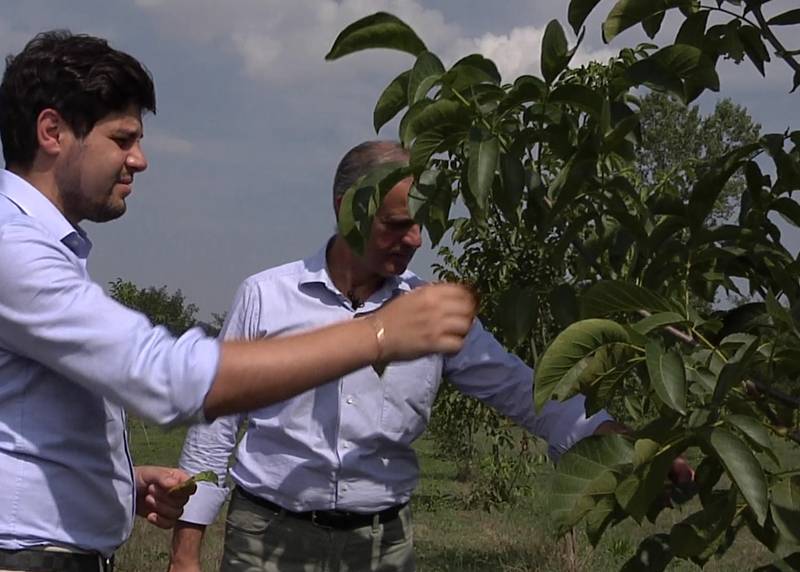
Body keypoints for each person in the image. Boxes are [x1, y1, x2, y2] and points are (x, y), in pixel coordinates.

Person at [0, 34, 476, 572]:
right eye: (123, 138)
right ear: (52, 132)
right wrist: (378, 334)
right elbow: (165, 378)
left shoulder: (44, 247)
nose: (140, 159)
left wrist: (118, 483)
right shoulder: (12, 246)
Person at [168, 141, 669, 572]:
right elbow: (215, 427)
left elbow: (523, 391)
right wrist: (185, 553)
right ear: (347, 209)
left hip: (382, 543)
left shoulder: (431, 312)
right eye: (397, 225)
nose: (415, 240)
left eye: (421, 224)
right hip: (267, 536)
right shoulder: (266, 297)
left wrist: (616, 440)